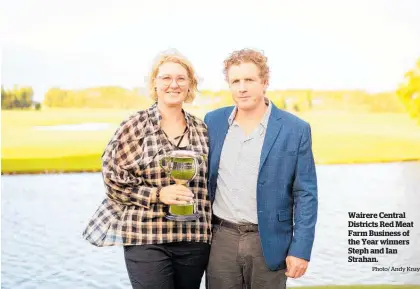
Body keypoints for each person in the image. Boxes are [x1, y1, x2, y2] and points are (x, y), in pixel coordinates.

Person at [82, 50, 212, 289]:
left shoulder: (201, 129)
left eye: (181, 78)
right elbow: (112, 178)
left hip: (194, 238)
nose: (174, 84)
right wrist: (157, 194)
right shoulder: (135, 125)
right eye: (166, 78)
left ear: (190, 84)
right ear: (154, 82)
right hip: (146, 237)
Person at [204, 48, 318, 289]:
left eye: (249, 80)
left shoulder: (295, 129)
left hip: (269, 242)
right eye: (235, 81)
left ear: (264, 82)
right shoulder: (212, 121)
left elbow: (306, 194)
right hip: (221, 240)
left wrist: (301, 249)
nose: (242, 88)